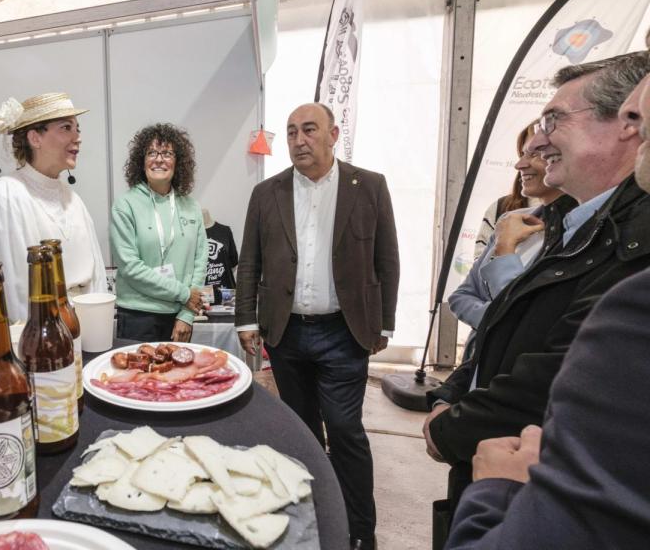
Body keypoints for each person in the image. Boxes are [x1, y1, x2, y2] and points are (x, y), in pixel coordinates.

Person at [424, 51, 650, 519]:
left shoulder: (631, 238)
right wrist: (450, 396)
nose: (538, 141)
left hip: (536, 484)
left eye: (553, 120)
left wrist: (451, 429)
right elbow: (497, 330)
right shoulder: (568, 221)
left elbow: (556, 369)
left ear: (628, 121)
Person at [235, 102, 399, 550]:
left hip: (344, 332)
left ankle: (361, 532)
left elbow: (386, 257)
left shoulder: (368, 186)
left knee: (345, 429)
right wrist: (246, 318)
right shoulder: (266, 193)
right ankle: (310, 517)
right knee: (302, 429)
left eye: (309, 130)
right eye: (290, 132)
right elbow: (250, 262)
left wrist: (385, 321)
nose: (298, 140)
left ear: (333, 134)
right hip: (286, 333)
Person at [0, 92, 106, 323]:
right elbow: (15, 289)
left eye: (78, 128)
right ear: (35, 138)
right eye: (66, 127)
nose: (78, 137)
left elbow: (96, 276)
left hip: (87, 327)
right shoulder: (6, 195)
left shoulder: (73, 199)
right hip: (45, 336)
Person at [449, 120, 568, 331]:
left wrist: (505, 250)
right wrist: (498, 318)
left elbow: (522, 320)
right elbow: (460, 296)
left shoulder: (582, 230)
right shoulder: (510, 220)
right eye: (522, 154)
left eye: (534, 154)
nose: (520, 164)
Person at [110, 123, 207, 342]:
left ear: (178, 161)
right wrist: (184, 294)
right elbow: (130, 267)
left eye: (167, 153)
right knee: (138, 378)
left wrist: (187, 315)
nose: (159, 159)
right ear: (141, 161)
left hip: (180, 315)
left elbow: (200, 263)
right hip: (138, 316)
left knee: (179, 377)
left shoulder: (191, 206)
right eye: (151, 152)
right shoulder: (125, 205)